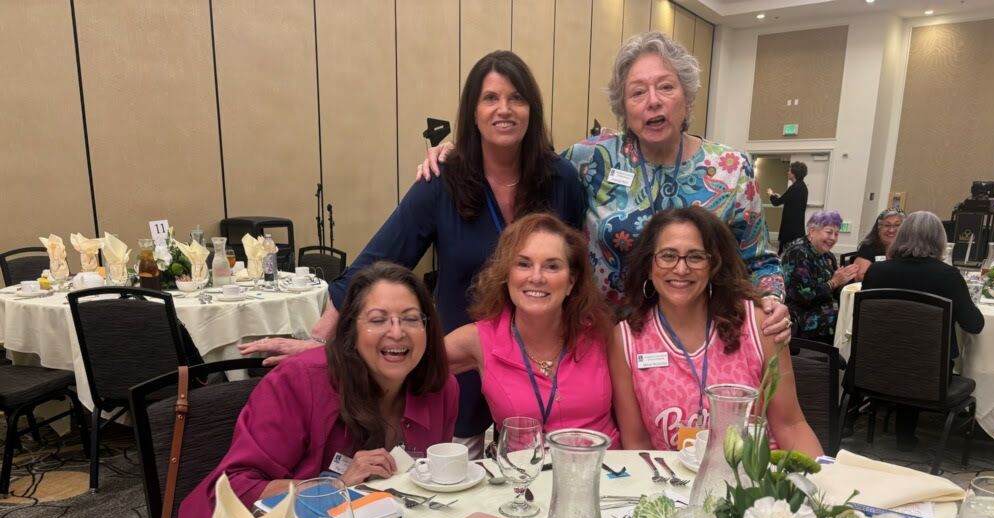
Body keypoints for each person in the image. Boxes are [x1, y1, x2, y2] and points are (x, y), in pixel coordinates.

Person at [238, 51, 585, 455]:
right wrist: (320, 340)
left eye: (516, 98)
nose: (503, 109)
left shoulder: (562, 181)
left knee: (541, 478)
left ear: (532, 109)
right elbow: (378, 260)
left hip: (542, 362)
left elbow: (577, 270)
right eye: (490, 98)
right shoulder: (442, 181)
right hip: (461, 357)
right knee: (459, 481)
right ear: (472, 112)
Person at [419, 32, 791, 340]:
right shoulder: (589, 160)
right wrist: (458, 153)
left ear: (687, 97)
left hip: (696, 344)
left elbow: (758, 261)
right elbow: (526, 162)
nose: (653, 102)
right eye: (637, 92)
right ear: (623, 106)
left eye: (666, 87)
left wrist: (772, 298)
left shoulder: (729, 170)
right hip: (602, 340)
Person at [176, 263, 459, 518]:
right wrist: (333, 487)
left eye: (411, 319)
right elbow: (235, 488)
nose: (397, 332)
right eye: (378, 320)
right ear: (351, 331)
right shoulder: (299, 382)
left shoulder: (440, 389)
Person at [610, 206, 821, 456]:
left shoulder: (760, 324)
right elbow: (637, 445)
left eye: (696, 257)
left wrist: (821, 488)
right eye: (667, 256)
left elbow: (791, 425)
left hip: (756, 483)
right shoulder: (626, 340)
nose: (680, 269)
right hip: (673, 486)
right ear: (649, 265)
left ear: (714, 265)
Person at [445, 213, 620, 446]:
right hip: (524, 477)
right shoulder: (480, 339)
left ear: (571, 282)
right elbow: (406, 371)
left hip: (605, 474)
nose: (536, 277)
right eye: (524, 264)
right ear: (506, 275)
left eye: (552, 266)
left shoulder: (603, 334)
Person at [861, 210, 984, 450]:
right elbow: (974, 325)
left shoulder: (877, 271)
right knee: (918, 354)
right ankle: (907, 434)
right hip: (929, 374)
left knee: (904, 352)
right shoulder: (948, 276)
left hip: (876, 366)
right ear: (938, 241)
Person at [781, 210, 858, 344]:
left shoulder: (827, 256)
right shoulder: (797, 253)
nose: (833, 238)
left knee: (853, 314)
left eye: (836, 234)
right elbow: (804, 297)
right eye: (829, 232)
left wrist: (844, 282)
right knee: (850, 321)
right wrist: (834, 282)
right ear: (812, 231)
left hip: (824, 309)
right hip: (802, 317)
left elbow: (832, 291)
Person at [852, 208, 905, 280]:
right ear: (878, 228)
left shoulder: (910, 248)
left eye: (897, 225)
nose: (891, 230)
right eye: (887, 225)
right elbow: (860, 275)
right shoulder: (869, 246)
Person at [767, 161, 808, 251]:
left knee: (784, 251)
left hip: (790, 228)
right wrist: (781, 197)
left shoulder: (795, 187)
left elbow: (776, 202)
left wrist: (771, 194)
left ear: (794, 173)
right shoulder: (802, 186)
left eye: (789, 170)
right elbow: (793, 201)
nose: (788, 172)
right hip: (796, 227)